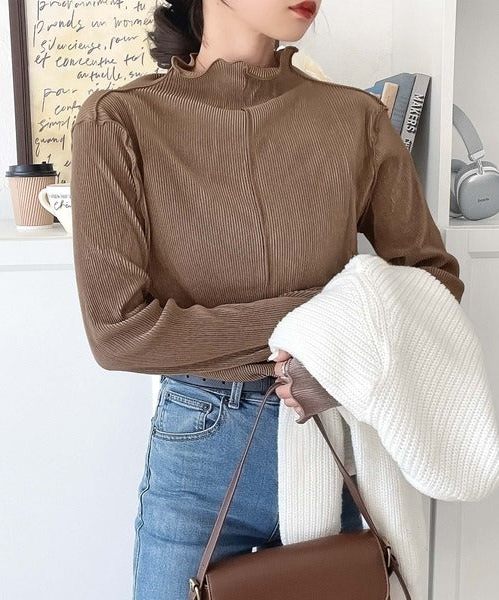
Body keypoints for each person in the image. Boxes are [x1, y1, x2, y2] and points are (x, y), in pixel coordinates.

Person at [69, 1, 465, 598]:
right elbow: (117, 333)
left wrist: (342, 361)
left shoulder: (355, 118)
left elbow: (434, 282)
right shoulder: (120, 120)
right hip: (201, 451)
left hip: (333, 436)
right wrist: (323, 326)